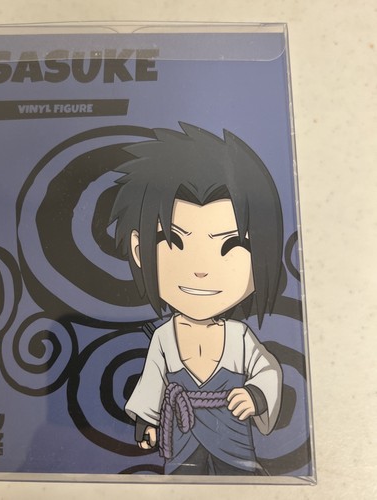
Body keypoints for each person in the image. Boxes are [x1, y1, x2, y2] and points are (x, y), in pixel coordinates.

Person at [109, 123, 283, 475]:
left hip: (233, 435)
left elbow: (266, 371)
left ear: (261, 255)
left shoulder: (239, 337)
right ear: (139, 250)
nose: (200, 271)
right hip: (182, 434)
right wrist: (147, 421)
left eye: (231, 245)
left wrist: (255, 396)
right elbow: (153, 382)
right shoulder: (164, 338)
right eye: (175, 242)